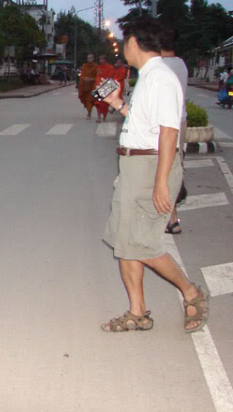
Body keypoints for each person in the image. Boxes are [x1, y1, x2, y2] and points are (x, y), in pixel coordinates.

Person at [100, 18, 208, 334]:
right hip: (135, 166)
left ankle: (192, 293)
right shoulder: (148, 77)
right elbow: (145, 123)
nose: (122, 50)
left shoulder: (160, 78)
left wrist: (162, 182)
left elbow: (169, 132)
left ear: (134, 42)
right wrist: (118, 104)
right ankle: (138, 312)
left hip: (151, 168)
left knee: (142, 244)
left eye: (124, 43)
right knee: (125, 240)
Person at [160, 32, 188, 235]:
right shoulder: (182, 65)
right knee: (176, 168)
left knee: (164, 170)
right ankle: (172, 218)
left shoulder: (159, 67)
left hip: (165, 124)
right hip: (181, 121)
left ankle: (170, 218)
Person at [93, 54, 115, 122]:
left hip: (106, 86)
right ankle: (99, 117)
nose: (99, 60)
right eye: (99, 59)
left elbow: (110, 77)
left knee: (105, 104)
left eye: (101, 59)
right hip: (99, 86)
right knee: (98, 103)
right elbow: (97, 76)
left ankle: (104, 116)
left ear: (104, 60)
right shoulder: (99, 67)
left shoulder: (110, 67)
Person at [78, 54, 98, 119]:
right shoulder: (84, 66)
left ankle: (94, 114)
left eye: (90, 58)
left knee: (92, 100)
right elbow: (81, 75)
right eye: (88, 58)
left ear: (93, 58)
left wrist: (92, 79)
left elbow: (98, 76)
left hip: (93, 86)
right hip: (85, 86)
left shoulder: (96, 66)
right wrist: (84, 79)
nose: (89, 59)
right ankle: (89, 112)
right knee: (87, 100)